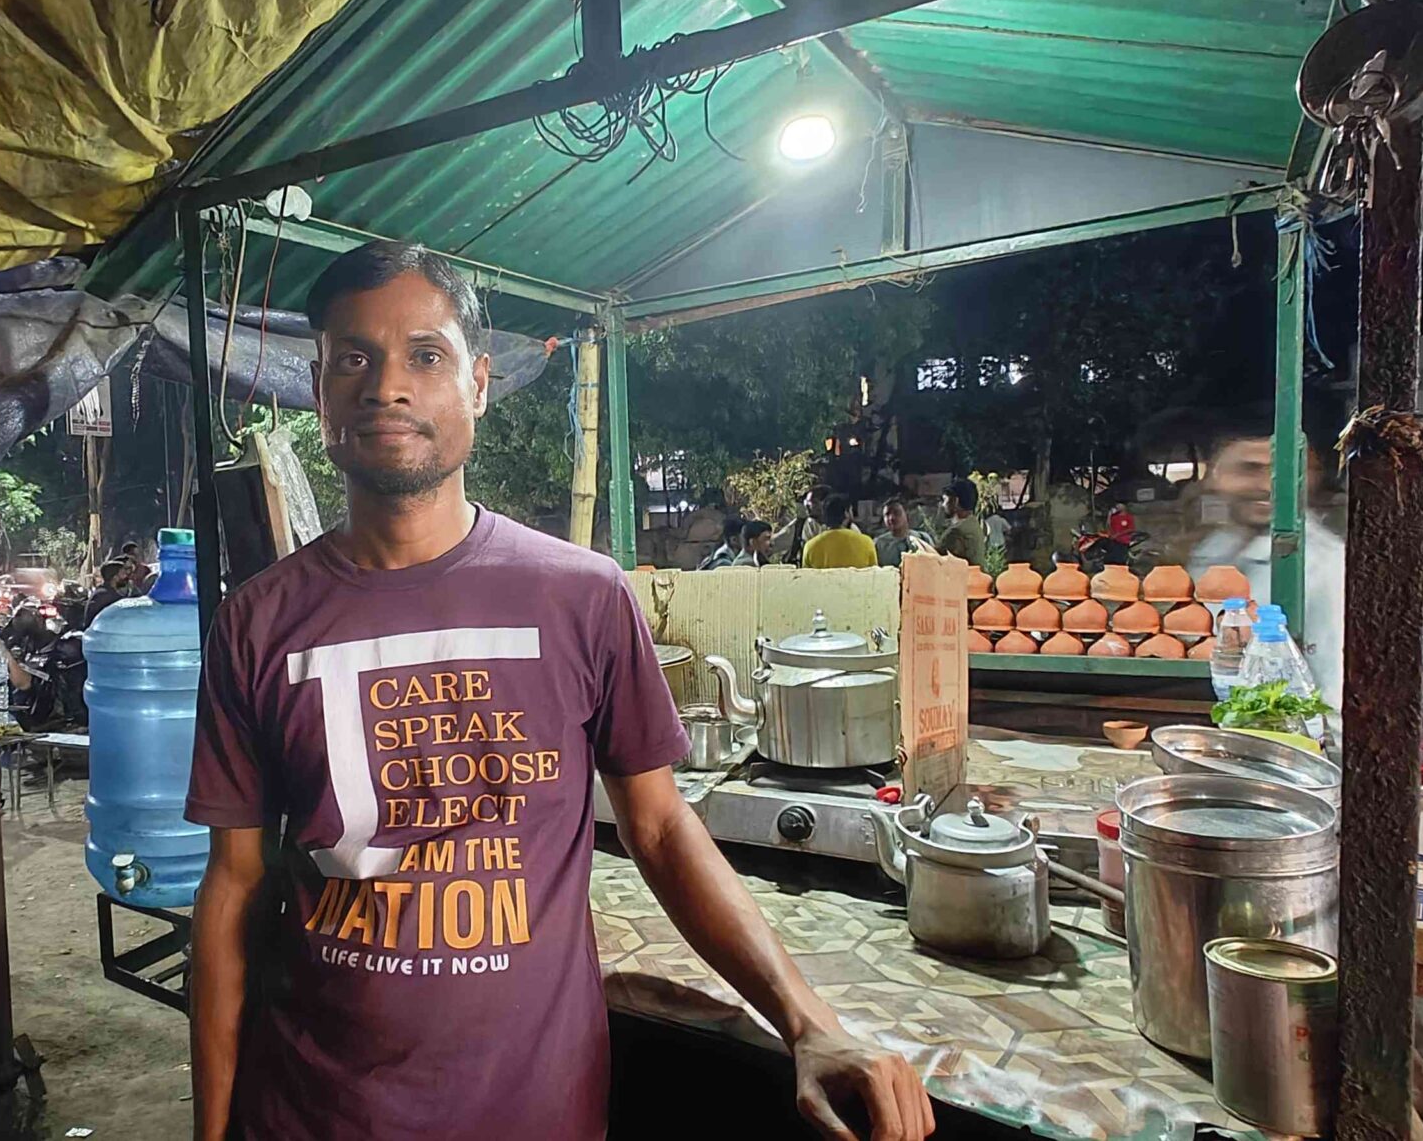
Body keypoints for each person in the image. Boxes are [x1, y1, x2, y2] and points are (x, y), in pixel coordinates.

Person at [186, 241, 932, 1141]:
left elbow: (659, 827)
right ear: (319, 388)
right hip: (309, 1113)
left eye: (427, 355)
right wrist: (213, 1126)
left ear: (480, 384)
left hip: (535, 1112)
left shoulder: (582, 595)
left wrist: (808, 1023)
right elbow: (232, 892)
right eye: (355, 357)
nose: (388, 386)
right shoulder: (256, 624)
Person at [1185, 420, 1344, 708]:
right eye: (1249, 469)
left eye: (1281, 470)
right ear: (1215, 474)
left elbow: (1334, 699)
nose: (1265, 485)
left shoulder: (1324, 568)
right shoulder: (1212, 551)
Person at [801, 496, 878, 569]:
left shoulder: (810, 546)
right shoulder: (866, 542)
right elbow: (874, 575)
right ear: (846, 513)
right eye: (851, 510)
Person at [935, 480, 985, 566]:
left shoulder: (957, 531)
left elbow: (936, 559)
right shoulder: (973, 523)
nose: (943, 505)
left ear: (955, 501)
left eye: (945, 500)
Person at [873, 498, 932, 569]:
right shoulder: (879, 544)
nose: (891, 518)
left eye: (896, 512)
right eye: (887, 514)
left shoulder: (922, 538)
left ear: (906, 514)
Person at [778, 487, 825, 567]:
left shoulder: (842, 527)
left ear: (825, 503)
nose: (807, 505)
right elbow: (774, 543)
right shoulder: (798, 526)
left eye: (813, 502)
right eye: (806, 502)